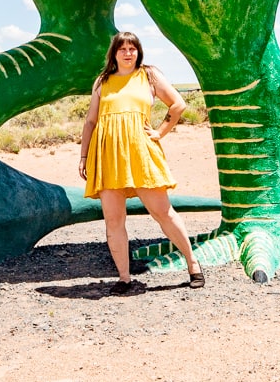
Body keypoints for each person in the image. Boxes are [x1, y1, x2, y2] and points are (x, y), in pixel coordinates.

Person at [78, 31, 204, 293]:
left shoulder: (149, 75)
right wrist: (84, 155)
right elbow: (91, 121)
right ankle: (124, 278)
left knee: (162, 212)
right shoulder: (103, 81)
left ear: (138, 52)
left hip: (141, 152)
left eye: (132, 48)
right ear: (113, 53)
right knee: (113, 220)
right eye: (122, 49)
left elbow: (177, 104)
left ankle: (193, 264)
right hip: (107, 156)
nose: (127, 53)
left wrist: (160, 132)